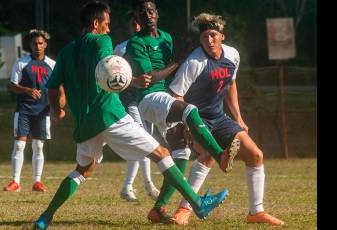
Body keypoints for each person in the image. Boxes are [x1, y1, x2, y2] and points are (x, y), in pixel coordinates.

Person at [33, 2, 230, 229]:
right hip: (110, 115)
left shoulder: (67, 51)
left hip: (85, 123)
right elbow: (111, 68)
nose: (109, 29)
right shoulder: (102, 41)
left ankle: (45, 217)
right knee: (162, 153)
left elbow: (52, 87)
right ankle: (197, 203)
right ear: (96, 24)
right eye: (106, 24)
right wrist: (134, 81)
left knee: (82, 170)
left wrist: (57, 110)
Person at [125, 0, 240, 224]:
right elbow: (150, 79)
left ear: (157, 13)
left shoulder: (166, 37)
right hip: (150, 100)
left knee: (180, 154)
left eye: (151, 10)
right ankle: (220, 155)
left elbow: (174, 74)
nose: (147, 15)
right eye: (142, 13)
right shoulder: (135, 43)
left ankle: (158, 209)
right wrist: (178, 60)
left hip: (166, 99)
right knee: (190, 110)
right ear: (136, 19)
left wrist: (180, 61)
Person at [167, 13, 285, 226]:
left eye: (213, 35)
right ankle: (184, 209)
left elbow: (231, 84)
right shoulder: (194, 62)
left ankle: (256, 212)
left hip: (219, 117)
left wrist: (238, 117)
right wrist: (185, 124)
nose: (209, 40)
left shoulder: (232, 55)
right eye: (204, 37)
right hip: (196, 119)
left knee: (256, 155)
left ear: (222, 36)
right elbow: (177, 95)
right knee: (208, 157)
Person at [4, 29, 58, 193]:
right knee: (19, 145)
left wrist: (57, 107)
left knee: (38, 146)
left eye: (40, 43)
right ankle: (15, 182)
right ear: (30, 45)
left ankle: (37, 182)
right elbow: (13, 86)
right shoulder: (21, 62)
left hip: (43, 111)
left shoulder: (52, 65)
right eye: (35, 43)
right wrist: (27, 90)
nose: (37, 46)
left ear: (45, 45)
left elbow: (57, 88)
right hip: (24, 110)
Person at [114, 11, 160, 202]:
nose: (136, 27)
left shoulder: (151, 44)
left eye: (138, 23)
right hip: (129, 99)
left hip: (147, 98)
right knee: (144, 140)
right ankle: (149, 185)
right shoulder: (121, 48)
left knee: (142, 142)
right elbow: (115, 76)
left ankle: (127, 186)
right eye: (133, 24)